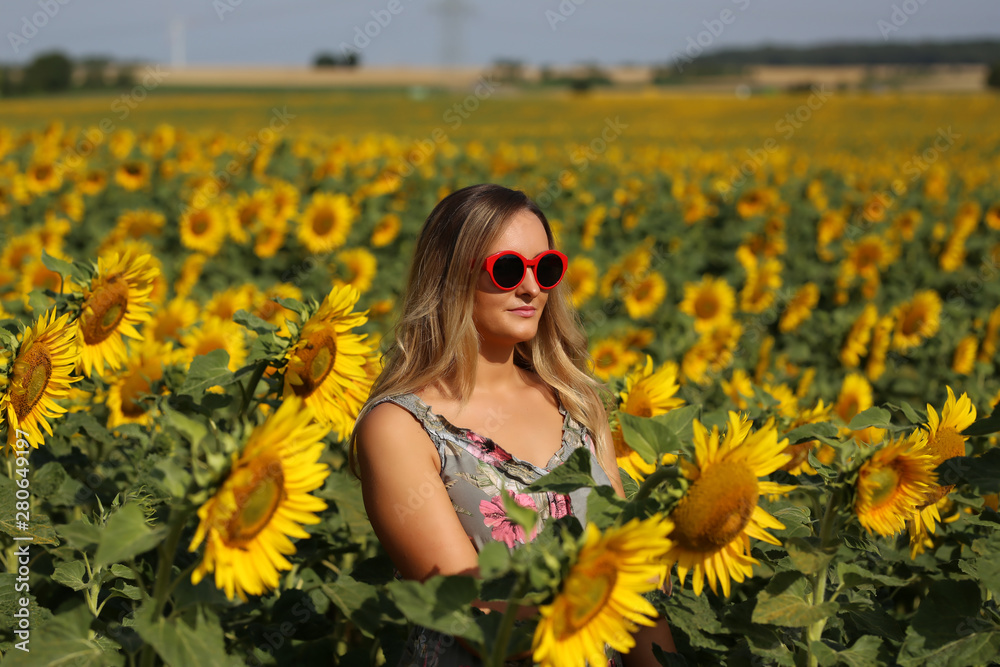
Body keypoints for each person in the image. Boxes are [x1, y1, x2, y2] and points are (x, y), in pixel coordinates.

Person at [348, 183, 676, 666]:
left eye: (545, 269)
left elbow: (642, 601)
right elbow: (472, 612)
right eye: (506, 270)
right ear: (451, 278)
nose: (531, 288)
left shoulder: (578, 404)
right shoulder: (400, 427)